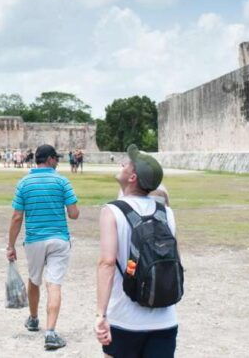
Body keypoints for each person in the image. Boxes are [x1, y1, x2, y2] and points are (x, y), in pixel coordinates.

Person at [95, 145, 178, 357]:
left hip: (125, 319)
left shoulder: (112, 211)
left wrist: (101, 314)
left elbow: (107, 263)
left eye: (127, 164)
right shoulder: (166, 212)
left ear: (132, 177)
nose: (122, 164)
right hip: (165, 319)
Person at [7, 144, 79, 351]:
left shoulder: (24, 183)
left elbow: (17, 217)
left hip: (34, 240)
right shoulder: (62, 181)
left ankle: (33, 318)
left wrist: (10, 245)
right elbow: (74, 214)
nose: (57, 162)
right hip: (59, 239)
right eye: (56, 158)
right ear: (49, 159)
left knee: (34, 279)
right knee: (54, 284)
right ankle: (51, 332)